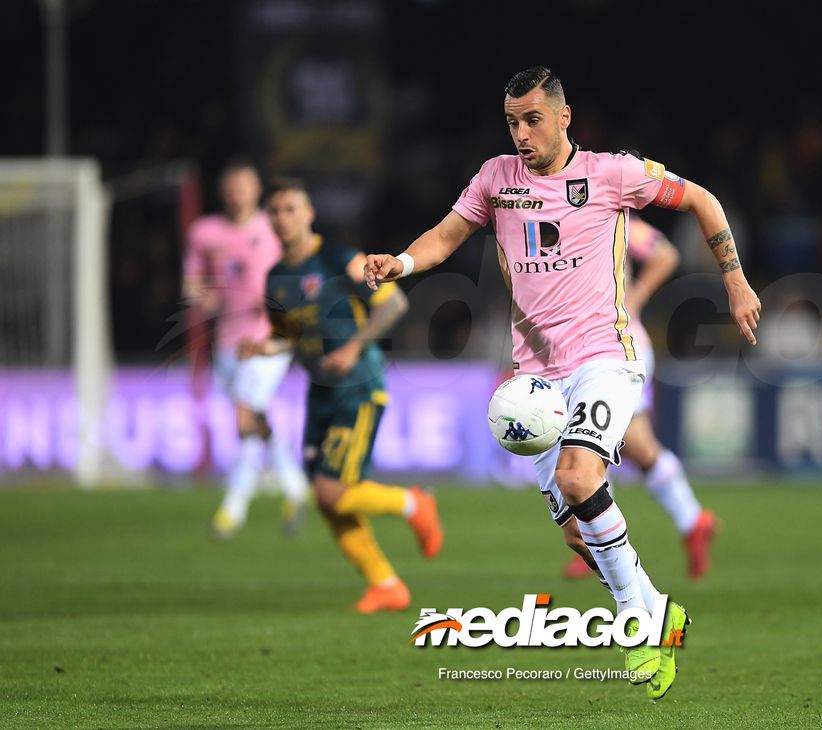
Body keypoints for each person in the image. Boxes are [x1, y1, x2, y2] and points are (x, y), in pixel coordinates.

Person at [365, 67, 761, 699]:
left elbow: (702, 200)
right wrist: (403, 262)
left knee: (580, 478)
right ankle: (658, 611)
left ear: (563, 117)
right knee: (579, 535)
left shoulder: (613, 174)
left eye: (533, 120)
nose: (521, 134)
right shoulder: (497, 179)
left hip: (606, 359)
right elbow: (445, 237)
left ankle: (637, 625)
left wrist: (734, 279)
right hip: (537, 382)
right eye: (512, 123)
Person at [240, 178, 443, 614]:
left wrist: (352, 348)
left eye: (291, 209)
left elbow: (393, 305)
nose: (282, 218)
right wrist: (263, 348)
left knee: (332, 492)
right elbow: (288, 336)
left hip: (358, 387)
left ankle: (414, 503)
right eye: (274, 211)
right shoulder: (276, 277)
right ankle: (386, 584)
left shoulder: (338, 258)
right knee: (326, 500)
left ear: (309, 213)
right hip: (319, 392)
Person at [562, 215, 719, 581]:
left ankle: (597, 541)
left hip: (617, 346)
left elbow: (665, 254)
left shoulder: (607, 217)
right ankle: (693, 520)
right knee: (635, 445)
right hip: (586, 348)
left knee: (591, 441)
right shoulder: (562, 218)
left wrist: (633, 299)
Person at [182, 159, 309, 539]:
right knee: (253, 418)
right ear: (224, 192)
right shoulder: (205, 232)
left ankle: (232, 508)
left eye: (244, 187)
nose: (238, 194)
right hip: (229, 342)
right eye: (232, 188)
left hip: (270, 337)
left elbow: (303, 269)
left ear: (256, 192)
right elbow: (191, 284)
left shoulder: (275, 227)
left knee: (245, 416)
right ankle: (294, 485)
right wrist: (205, 297)